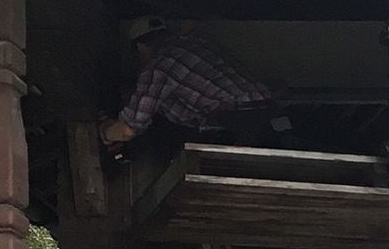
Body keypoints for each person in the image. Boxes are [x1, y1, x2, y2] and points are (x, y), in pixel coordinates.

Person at [99, 16, 283, 150]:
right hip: (271, 111)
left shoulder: (157, 66)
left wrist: (104, 131)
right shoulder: (198, 41)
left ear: (140, 47)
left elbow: (129, 129)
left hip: (235, 120)